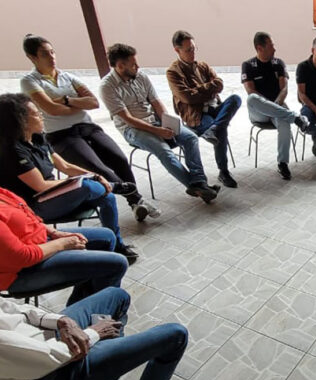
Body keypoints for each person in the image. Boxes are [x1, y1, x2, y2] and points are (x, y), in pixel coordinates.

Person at [0, 287, 188, 380]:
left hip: (42, 342)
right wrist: (93, 333)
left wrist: (61, 321)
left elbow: (9, 308)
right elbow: (46, 358)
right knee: (176, 335)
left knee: (117, 297)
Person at [20, 34, 160, 222]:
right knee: (98, 167)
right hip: (61, 136)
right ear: (32, 57)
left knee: (119, 159)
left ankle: (135, 203)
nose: (52, 57)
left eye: (53, 52)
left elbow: (93, 102)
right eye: (45, 54)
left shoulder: (68, 77)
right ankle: (137, 200)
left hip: (87, 127)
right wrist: (76, 104)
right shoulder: (30, 81)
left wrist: (66, 100)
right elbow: (51, 109)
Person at [0, 93, 138, 264]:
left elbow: (65, 166)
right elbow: (41, 186)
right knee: (86, 187)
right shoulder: (12, 151)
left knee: (106, 196)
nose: (42, 116)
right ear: (20, 121)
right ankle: (114, 186)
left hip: (55, 194)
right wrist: (82, 182)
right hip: (35, 206)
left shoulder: (37, 138)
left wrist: (94, 175)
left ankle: (116, 244)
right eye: (36, 114)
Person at [99, 43, 219, 203]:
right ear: (120, 66)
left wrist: (165, 121)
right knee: (164, 151)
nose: (138, 66)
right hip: (133, 129)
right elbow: (127, 118)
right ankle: (197, 187)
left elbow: (156, 103)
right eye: (133, 64)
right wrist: (158, 132)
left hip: (155, 121)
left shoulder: (141, 77)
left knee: (190, 137)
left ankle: (199, 183)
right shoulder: (107, 86)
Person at [0, 186, 127, 305]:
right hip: (20, 272)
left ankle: (80, 313)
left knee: (107, 237)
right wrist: (63, 243)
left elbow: (29, 216)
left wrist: (55, 233)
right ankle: (92, 316)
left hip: (40, 242)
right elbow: (22, 257)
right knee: (118, 263)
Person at [166, 30, 241, 188]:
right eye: (188, 50)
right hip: (197, 115)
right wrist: (208, 90)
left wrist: (199, 90)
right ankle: (224, 171)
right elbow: (187, 97)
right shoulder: (173, 72)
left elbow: (219, 83)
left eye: (194, 48)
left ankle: (214, 128)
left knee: (236, 99)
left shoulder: (202, 65)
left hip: (215, 107)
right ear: (177, 50)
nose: (193, 52)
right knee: (221, 131)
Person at [242, 32, 310, 180]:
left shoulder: (279, 63)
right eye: (271, 45)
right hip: (259, 111)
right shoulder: (248, 66)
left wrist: (275, 106)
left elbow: (284, 89)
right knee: (251, 98)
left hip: (278, 106)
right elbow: (250, 91)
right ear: (260, 48)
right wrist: (268, 107)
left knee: (285, 125)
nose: (275, 48)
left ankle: (283, 163)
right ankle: (296, 117)